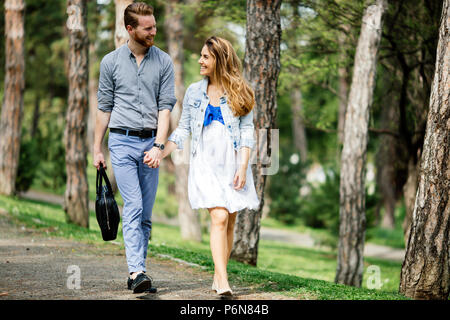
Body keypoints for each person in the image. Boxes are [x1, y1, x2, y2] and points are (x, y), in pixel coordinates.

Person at [146, 36, 260, 297]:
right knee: (219, 217)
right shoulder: (195, 91)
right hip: (205, 162)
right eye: (200, 55)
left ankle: (219, 275)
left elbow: (246, 134)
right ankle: (223, 281)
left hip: (232, 163)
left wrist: (243, 167)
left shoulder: (242, 91)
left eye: (205, 57)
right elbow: (184, 128)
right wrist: (161, 150)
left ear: (219, 60)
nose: (200, 60)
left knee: (230, 221)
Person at [93, 2, 176, 294]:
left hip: (150, 143)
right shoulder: (110, 62)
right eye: (148, 27)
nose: (154, 31)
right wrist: (97, 148)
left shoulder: (164, 61)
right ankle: (137, 271)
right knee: (134, 205)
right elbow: (104, 109)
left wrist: (158, 145)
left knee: (145, 215)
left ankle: (138, 272)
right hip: (121, 141)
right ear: (130, 29)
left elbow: (165, 109)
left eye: (154, 25)